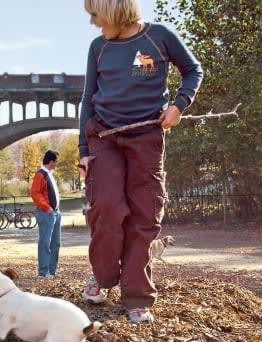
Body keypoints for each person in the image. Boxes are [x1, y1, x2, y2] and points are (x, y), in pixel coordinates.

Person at [78, 0, 203, 323]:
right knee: (106, 206)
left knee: (144, 215)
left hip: (146, 138)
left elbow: (193, 70)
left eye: (96, 15)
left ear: (115, 10)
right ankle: (103, 278)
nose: (93, 22)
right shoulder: (98, 47)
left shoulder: (158, 37)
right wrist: (82, 150)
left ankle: (136, 297)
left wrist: (178, 105)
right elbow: (87, 99)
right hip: (104, 138)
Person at [30, 150, 62, 279]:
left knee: (55, 243)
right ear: (51, 161)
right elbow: (35, 193)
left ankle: (52, 271)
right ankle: (43, 273)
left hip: (55, 213)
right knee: (45, 243)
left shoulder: (49, 174)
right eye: (56, 162)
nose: (56, 164)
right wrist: (47, 208)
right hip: (46, 213)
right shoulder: (40, 174)